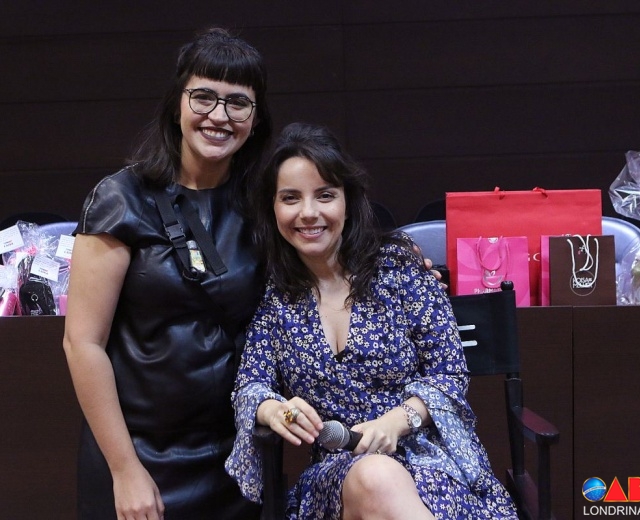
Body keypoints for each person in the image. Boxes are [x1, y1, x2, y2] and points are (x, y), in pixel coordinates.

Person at [225, 122, 519, 519]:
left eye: (325, 195)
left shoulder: (399, 269)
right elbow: (250, 385)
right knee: (376, 477)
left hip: (431, 462)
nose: (308, 213)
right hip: (338, 473)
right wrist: (273, 409)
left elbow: (449, 374)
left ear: (348, 201)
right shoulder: (276, 296)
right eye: (290, 198)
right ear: (273, 208)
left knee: (384, 481)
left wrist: (397, 421)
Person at [62, 28, 271, 519]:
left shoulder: (263, 200)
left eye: (238, 103)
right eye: (203, 97)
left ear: (256, 118)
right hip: (137, 454)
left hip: (238, 457)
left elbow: (329, 243)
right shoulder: (121, 198)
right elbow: (82, 343)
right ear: (177, 103)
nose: (219, 116)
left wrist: (397, 255)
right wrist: (124, 469)